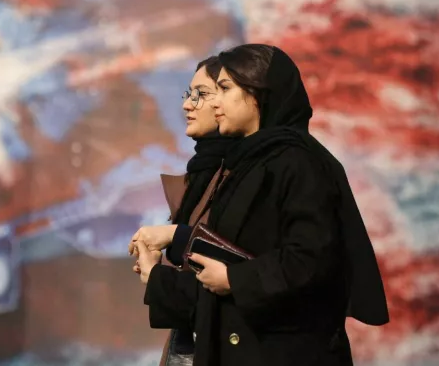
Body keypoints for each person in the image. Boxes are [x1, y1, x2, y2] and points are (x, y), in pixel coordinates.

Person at [134, 44, 388, 366]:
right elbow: (236, 249)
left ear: (258, 95)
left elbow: (312, 259)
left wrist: (232, 280)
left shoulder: (299, 161)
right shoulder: (250, 162)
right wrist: (172, 251)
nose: (216, 103)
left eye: (224, 89)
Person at [128, 56, 236, 366]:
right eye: (188, 94)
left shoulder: (243, 176)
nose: (187, 105)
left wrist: (170, 250)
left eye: (201, 94)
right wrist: (158, 273)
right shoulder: (201, 177)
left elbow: (240, 277)